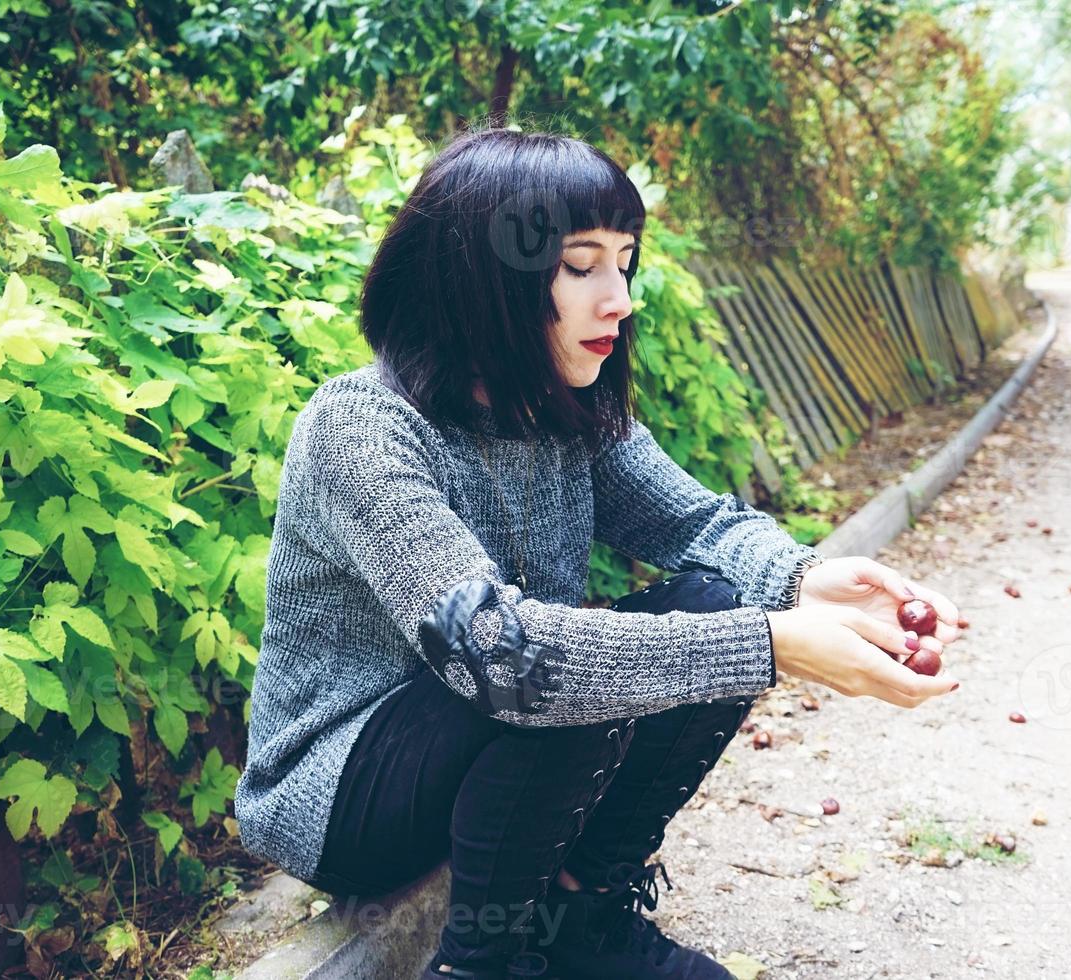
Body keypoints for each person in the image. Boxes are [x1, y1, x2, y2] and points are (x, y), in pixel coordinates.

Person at [233, 121, 963, 980]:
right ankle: (481, 965)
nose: (618, 297)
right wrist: (769, 647)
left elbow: (700, 527)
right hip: (344, 790)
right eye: (581, 266)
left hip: (484, 747)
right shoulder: (361, 426)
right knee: (549, 669)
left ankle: (579, 913)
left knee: (711, 602)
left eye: (624, 262)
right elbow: (498, 655)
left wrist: (805, 580)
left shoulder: (564, 411)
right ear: (481, 274)